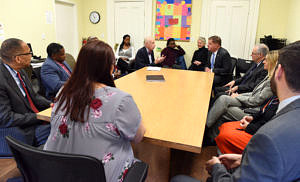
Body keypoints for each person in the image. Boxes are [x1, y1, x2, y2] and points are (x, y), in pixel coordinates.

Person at [172, 40, 300, 182]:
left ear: (279, 72)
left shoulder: (269, 138)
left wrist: (217, 168)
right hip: (251, 110)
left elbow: (256, 101)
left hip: (249, 108)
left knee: (178, 179)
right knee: (222, 101)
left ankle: (202, 130)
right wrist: (244, 159)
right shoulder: (291, 117)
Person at [44, 40, 146, 182]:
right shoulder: (121, 100)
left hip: (59, 173)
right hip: (101, 176)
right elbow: (138, 137)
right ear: (110, 68)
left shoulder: (63, 91)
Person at [206, 50, 278, 142]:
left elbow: (256, 101)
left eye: (266, 60)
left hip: (252, 110)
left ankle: (207, 129)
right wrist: (238, 95)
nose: (264, 61)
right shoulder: (268, 76)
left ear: (273, 63)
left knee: (223, 106)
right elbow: (253, 93)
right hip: (249, 102)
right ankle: (210, 133)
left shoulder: (271, 82)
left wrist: (237, 96)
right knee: (223, 99)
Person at [0, 38, 51, 147]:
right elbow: (6, 118)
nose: (31, 56)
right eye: (29, 53)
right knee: (62, 132)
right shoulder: (1, 80)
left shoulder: (20, 69)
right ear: (18, 58)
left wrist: (50, 104)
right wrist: (37, 117)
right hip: (20, 130)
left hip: (31, 120)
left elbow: (33, 96)